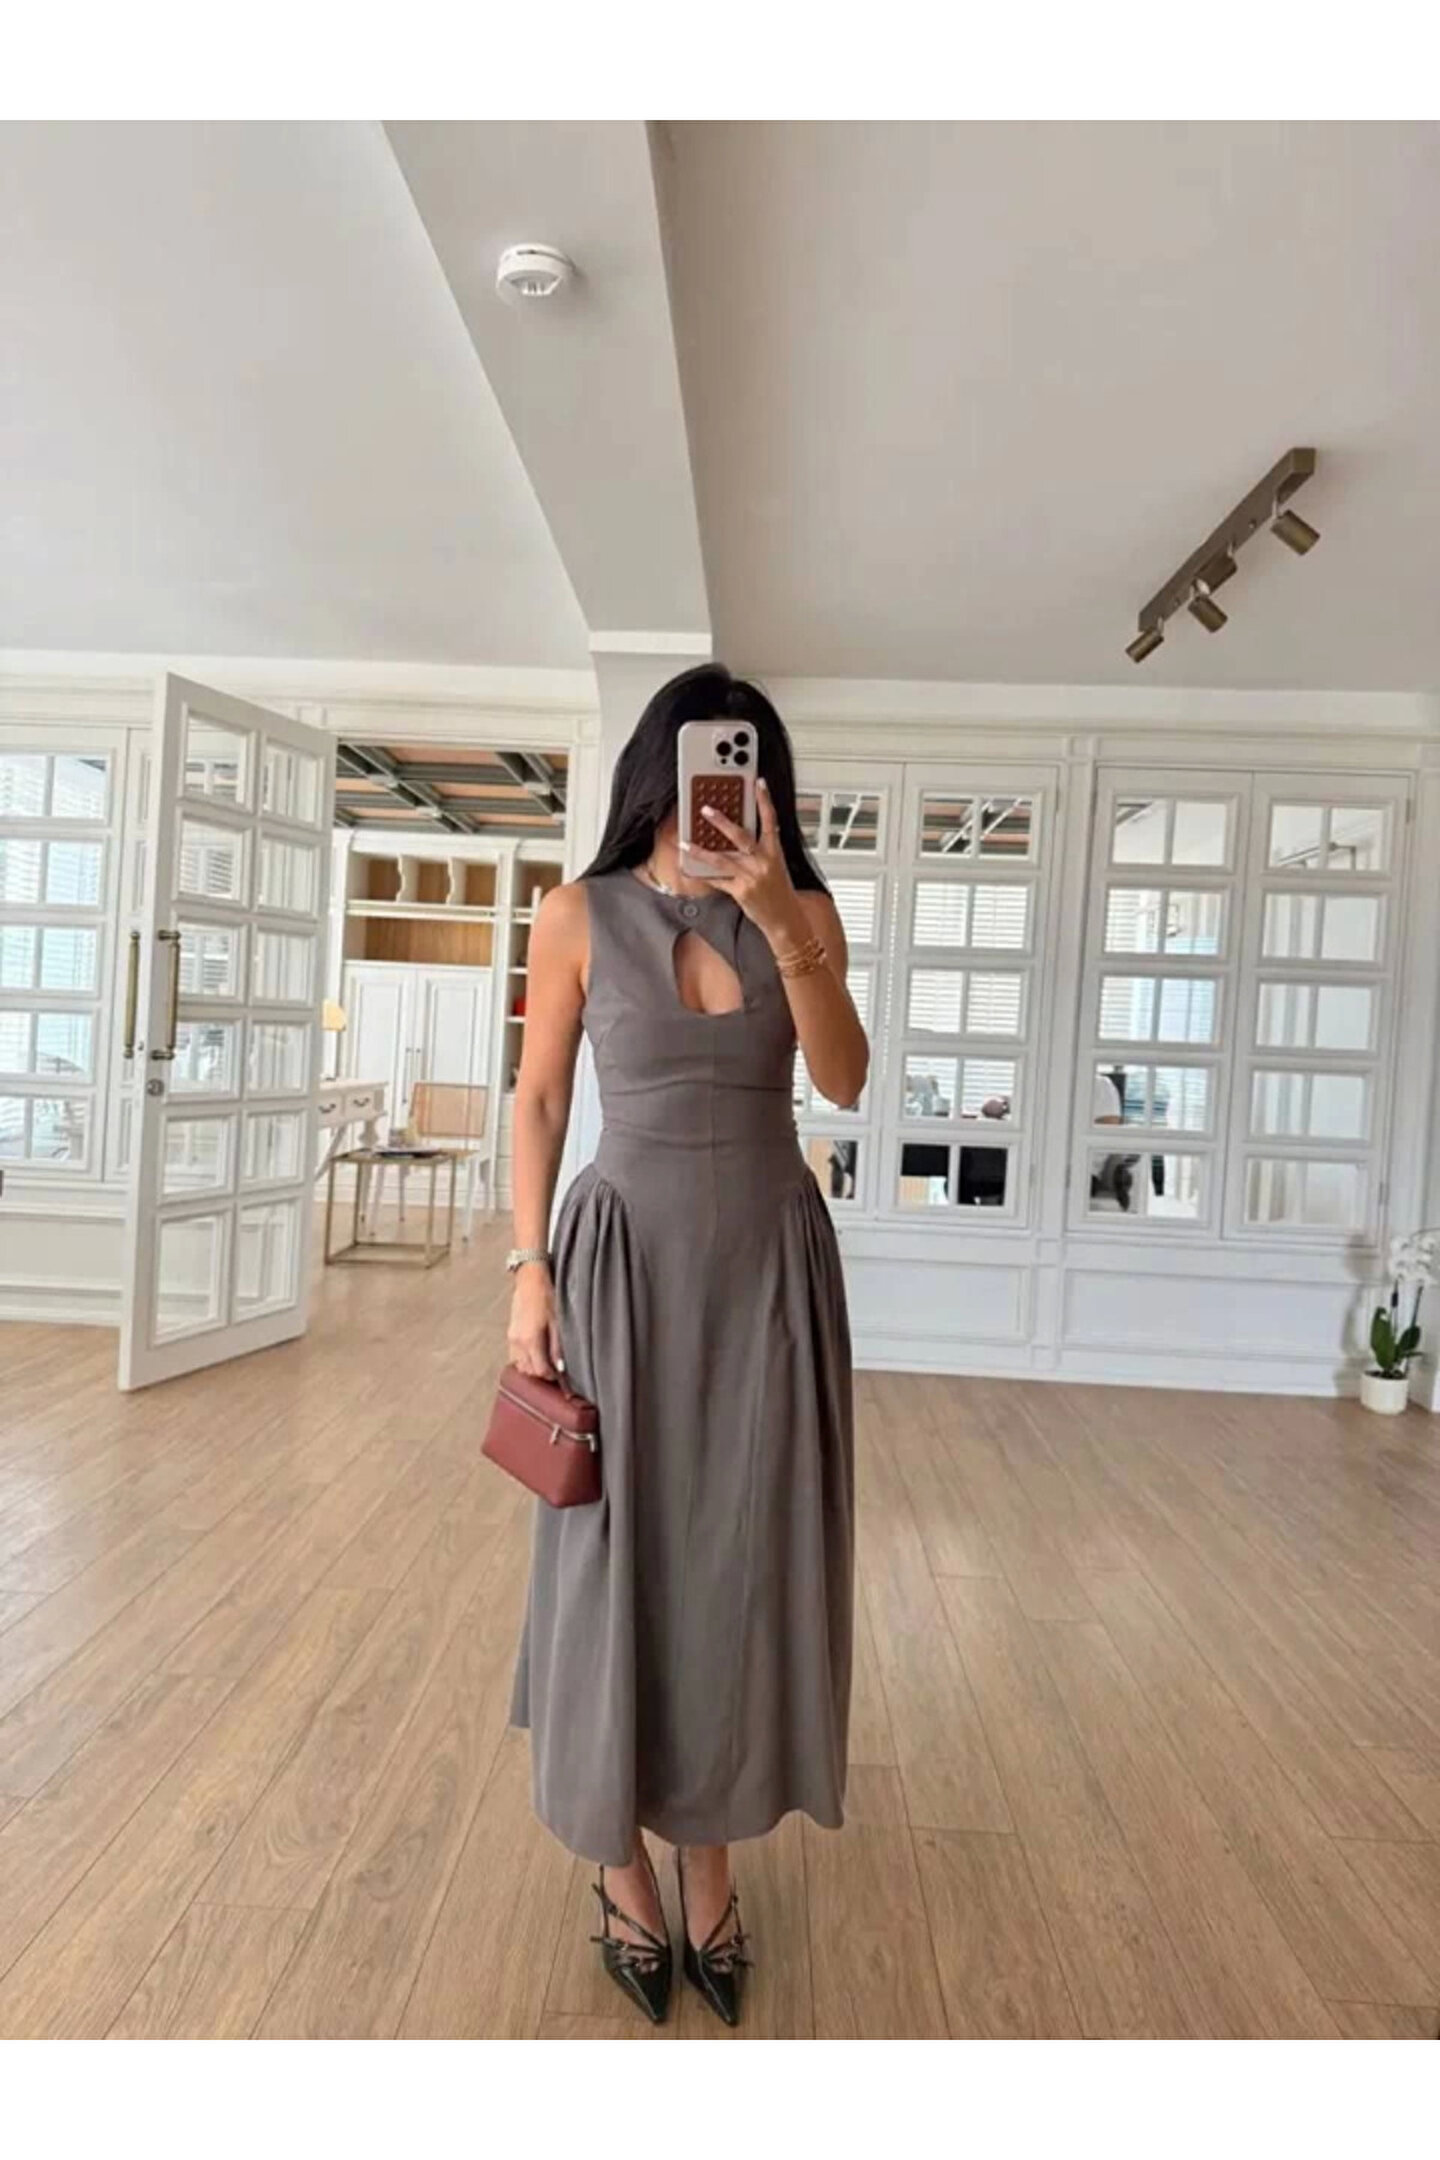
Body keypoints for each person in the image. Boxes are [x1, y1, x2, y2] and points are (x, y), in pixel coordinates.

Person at [505, 665, 868, 2027]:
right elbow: (542, 1102)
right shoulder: (577, 912)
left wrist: (778, 917)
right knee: (616, 1554)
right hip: (621, 1270)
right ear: (661, 768)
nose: (729, 786)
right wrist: (527, 1272)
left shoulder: (804, 910)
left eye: (752, 762)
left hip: (770, 1271)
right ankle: (620, 1860)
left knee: (742, 1560)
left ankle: (709, 1861)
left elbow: (843, 1079)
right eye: (713, 759)